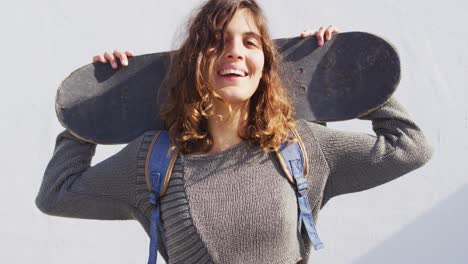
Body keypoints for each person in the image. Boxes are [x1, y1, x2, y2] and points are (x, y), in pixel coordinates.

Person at [35, 0, 433, 263]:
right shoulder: (154, 158)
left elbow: (410, 147)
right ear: (193, 62)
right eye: (216, 42)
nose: (235, 52)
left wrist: (343, 76)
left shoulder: (301, 145)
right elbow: (56, 194)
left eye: (250, 42)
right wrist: (92, 112)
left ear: (265, 64)